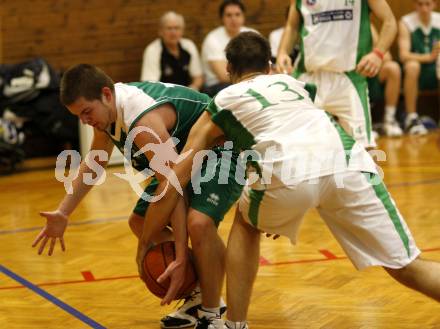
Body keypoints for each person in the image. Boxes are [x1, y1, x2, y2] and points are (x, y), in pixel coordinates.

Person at [137, 31, 440, 329]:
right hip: (349, 162)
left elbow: (177, 176)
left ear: (229, 70)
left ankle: (233, 324)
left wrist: (147, 239)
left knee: (246, 222)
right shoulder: (295, 85)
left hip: (287, 174)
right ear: (269, 66)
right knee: (407, 266)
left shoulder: (223, 99)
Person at [31, 64, 243, 329]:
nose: (85, 121)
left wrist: (178, 256)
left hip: (222, 149)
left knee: (198, 223)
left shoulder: (141, 122)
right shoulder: (106, 114)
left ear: (106, 94)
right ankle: (201, 290)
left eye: (86, 112)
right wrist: (63, 212)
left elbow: (173, 188)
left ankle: (212, 314)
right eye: (79, 116)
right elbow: (95, 163)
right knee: (140, 222)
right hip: (183, 161)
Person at [277, 0, 398, 148]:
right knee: (292, 145)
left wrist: (378, 54)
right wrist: (283, 52)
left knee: (363, 150)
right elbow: (292, 26)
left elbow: (390, 21)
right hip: (307, 77)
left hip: (348, 79)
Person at [399, 0, 440, 135]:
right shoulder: (406, 22)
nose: (424, 8)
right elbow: (404, 55)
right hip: (417, 71)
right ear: (414, 5)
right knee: (412, 66)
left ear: (435, 5)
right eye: (420, 4)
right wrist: (428, 57)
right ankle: (411, 117)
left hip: (436, 69)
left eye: (427, 4)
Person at [201, 0, 257, 97]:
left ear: (243, 16)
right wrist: (254, 77)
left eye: (237, 14)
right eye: (229, 15)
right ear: (222, 18)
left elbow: (264, 63)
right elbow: (223, 76)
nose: (233, 19)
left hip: (248, 81)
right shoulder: (213, 38)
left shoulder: (253, 34)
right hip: (218, 86)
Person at [140, 11, 203, 90]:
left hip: (186, 94)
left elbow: (198, 77)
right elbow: (150, 86)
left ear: (182, 31)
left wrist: (192, 89)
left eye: (177, 28)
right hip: (162, 96)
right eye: (169, 28)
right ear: (160, 31)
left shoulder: (189, 46)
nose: (173, 32)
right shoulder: (152, 50)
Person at [368, 24, 403, 137]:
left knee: (393, 68)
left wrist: (371, 58)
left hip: (368, 70)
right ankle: (363, 124)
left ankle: (389, 119)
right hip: (348, 73)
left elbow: (387, 57)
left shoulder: (368, 26)